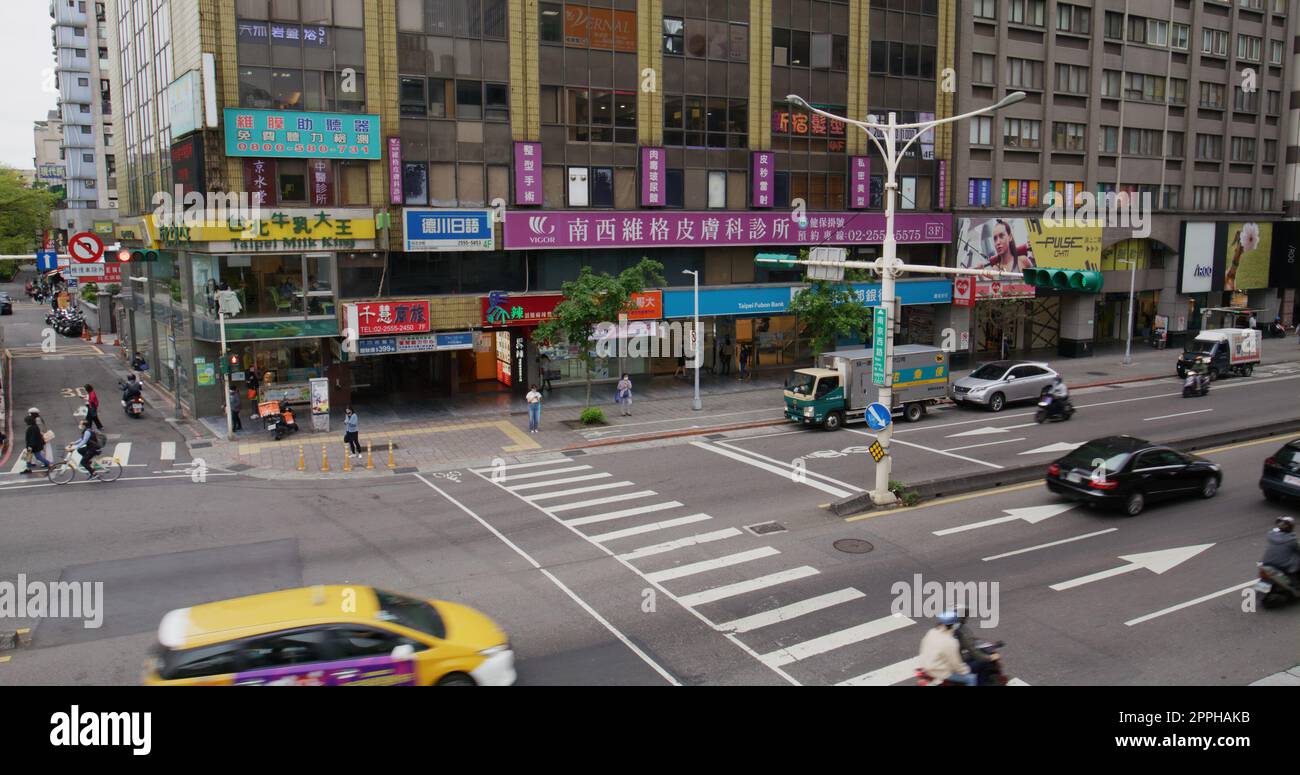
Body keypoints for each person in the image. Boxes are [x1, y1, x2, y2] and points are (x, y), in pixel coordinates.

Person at [917, 611, 977, 686]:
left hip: (925, 666)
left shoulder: (931, 632)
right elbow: (955, 663)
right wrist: (966, 671)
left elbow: (923, 646)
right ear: (954, 625)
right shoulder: (950, 642)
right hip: (939, 671)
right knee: (971, 678)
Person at [953, 609, 1000, 685]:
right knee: (985, 663)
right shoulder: (960, 632)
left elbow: (970, 641)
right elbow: (973, 651)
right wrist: (991, 657)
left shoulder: (943, 629)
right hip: (956, 667)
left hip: (942, 664)